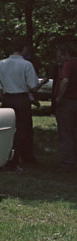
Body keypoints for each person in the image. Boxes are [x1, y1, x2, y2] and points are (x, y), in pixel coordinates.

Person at [0, 37, 48, 171]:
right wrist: (43, 82)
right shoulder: (26, 65)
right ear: (23, 48)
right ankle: (18, 159)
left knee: (8, 129)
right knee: (23, 130)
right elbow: (33, 87)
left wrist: (4, 97)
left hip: (8, 98)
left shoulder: (1, 63)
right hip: (22, 99)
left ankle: (6, 157)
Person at [54, 43, 77, 171]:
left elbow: (65, 81)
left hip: (67, 102)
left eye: (59, 56)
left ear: (66, 54)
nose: (58, 59)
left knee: (65, 132)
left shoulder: (68, 65)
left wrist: (59, 97)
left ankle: (67, 162)